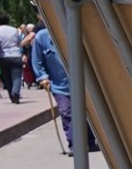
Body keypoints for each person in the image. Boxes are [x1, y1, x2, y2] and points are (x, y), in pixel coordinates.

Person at [29, 19, 97, 154]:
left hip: (82, 83)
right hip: (59, 85)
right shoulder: (42, 37)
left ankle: (90, 141)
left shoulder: (75, 32)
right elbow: (37, 60)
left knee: (86, 112)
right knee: (67, 112)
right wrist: (42, 77)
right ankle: (75, 145)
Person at [0, 19, 25, 104]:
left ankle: (12, 96)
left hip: (3, 56)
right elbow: (19, 42)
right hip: (16, 55)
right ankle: (15, 92)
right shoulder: (14, 30)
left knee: (7, 77)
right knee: (17, 77)